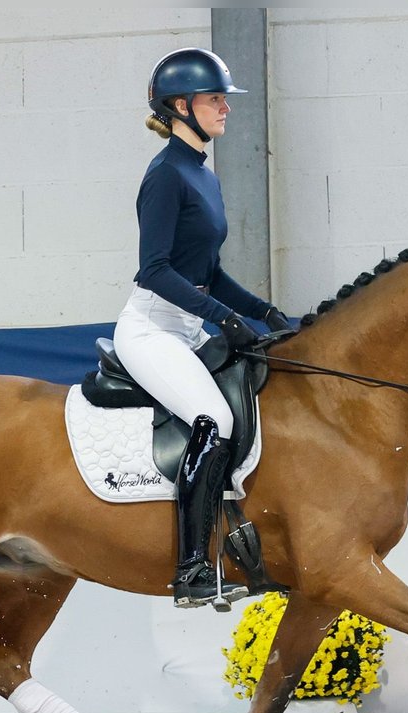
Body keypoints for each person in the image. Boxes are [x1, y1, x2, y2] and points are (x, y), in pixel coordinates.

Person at [113, 48, 292, 609]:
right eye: (216, 99)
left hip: (190, 325)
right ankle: (191, 568)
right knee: (211, 419)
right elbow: (156, 269)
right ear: (180, 106)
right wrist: (225, 319)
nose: (225, 109)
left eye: (223, 100)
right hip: (151, 328)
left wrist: (263, 310)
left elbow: (208, 271)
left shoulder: (203, 174)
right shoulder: (166, 174)